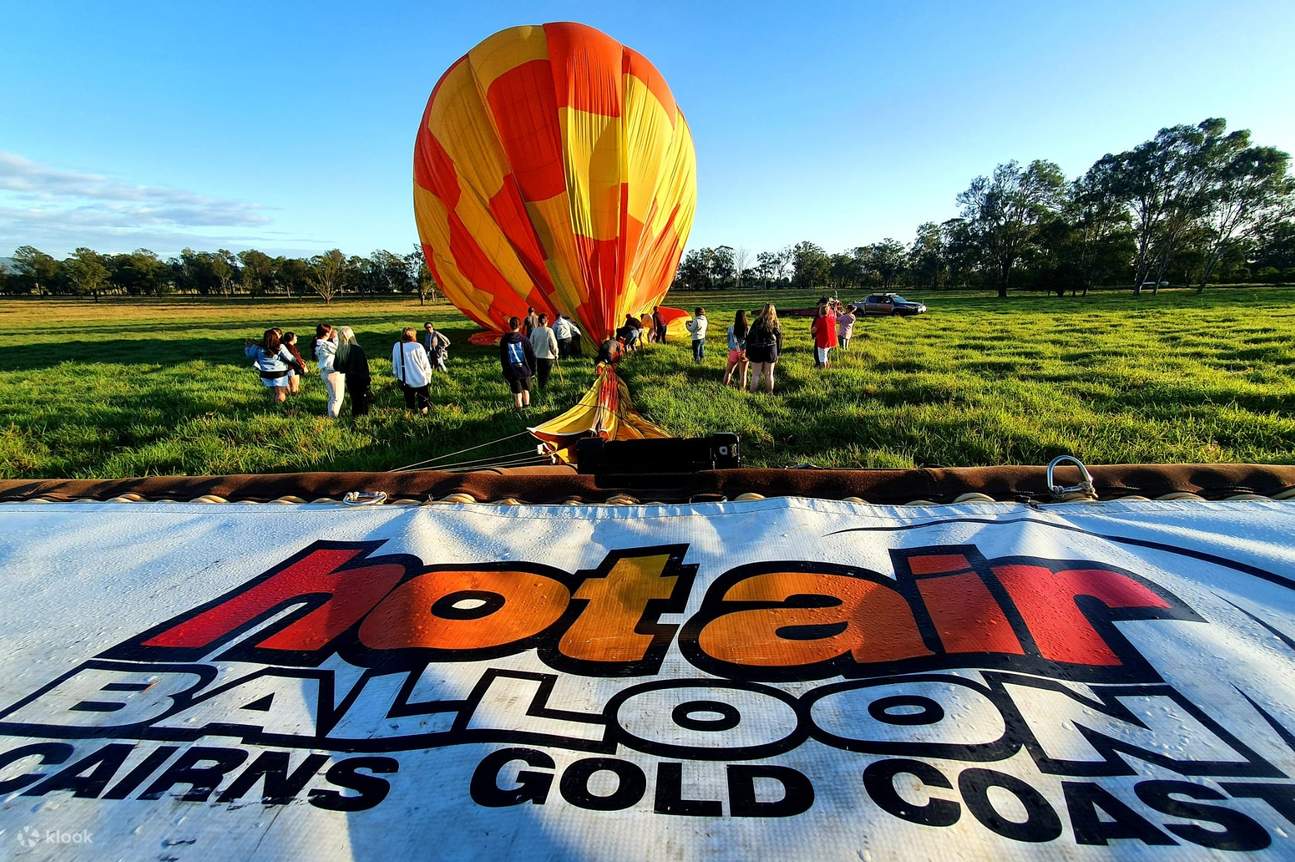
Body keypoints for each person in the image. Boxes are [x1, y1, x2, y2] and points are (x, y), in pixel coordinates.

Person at [244, 328, 298, 404]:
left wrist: (247, 347)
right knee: (280, 393)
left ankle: (273, 405)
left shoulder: (258, 347)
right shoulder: (280, 346)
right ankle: (279, 409)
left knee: (275, 393)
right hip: (279, 373)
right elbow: (290, 358)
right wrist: (297, 362)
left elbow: (249, 355)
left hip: (265, 374)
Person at [392, 327, 433, 414]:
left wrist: (397, 375)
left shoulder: (397, 346)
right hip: (421, 380)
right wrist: (428, 379)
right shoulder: (418, 346)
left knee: (409, 403)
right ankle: (423, 419)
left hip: (405, 381)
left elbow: (394, 364)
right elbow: (426, 365)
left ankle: (409, 418)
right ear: (414, 335)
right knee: (423, 404)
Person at [499, 316, 536, 410]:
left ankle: (518, 411)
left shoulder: (504, 340)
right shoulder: (524, 339)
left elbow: (503, 358)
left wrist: (505, 371)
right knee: (526, 390)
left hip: (512, 371)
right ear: (520, 325)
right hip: (525, 370)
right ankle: (527, 408)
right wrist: (533, 370)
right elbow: (531, 356)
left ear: (509, 325)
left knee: (517, 393)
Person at [334, 326, 372, 417]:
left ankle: (355, 418)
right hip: (361, 379)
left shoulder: (340, 351)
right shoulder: (357, 349)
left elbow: (337, 367)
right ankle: (363, 419)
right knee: (363, 402)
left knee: (354, 401)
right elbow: (364, 366)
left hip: (350, 380)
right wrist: (368, 379)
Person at [746, 303, 783, 393]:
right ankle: (769, 393)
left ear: (763, 310)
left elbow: (749, 338)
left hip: (757, 349)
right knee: (769, 374)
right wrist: (778, 353)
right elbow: (779, 340)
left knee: (755, 374)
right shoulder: (775, 323)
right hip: (771, 349)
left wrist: (748, 352)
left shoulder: (757, 321)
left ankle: (752, 392)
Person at [314, 323, 345, 418]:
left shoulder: (318, 343)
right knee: (337, 398)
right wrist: (335, 337)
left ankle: (330, 415)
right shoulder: (325, 344)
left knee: (332, 397)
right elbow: (339, 350)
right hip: (332, 372)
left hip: (325, 372)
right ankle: (332, 418)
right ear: (327, 333)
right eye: (331, 331)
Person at [529, 312, 559, 389]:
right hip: (548, 357)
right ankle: (542, 390)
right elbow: (553, 344)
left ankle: (539, 388)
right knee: (545, 376)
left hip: (537, 356)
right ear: (547, 321)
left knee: (539, 374)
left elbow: (530, 344)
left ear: (538, 322)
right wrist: (556, 354)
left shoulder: (535, 331)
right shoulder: (549, 331)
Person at [724, 309, 749, 389]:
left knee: (728, 371)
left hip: (733, 352)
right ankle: (742, 390)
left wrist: (731, 347)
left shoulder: (731, 328)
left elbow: (728, 340)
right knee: (743, 374)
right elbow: (750, 342)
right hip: (744, 353)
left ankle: (724, 385)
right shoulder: (748, 329)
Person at [812, 303, 837, 369]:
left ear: (820, 311)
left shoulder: (820, 320)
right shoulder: (832, 319)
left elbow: (813, 330)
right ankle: (827, 369)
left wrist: (812, 329)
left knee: (822, 359)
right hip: (831, 341)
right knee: (825, 357)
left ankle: (824, 372)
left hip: (823, 342)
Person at [282, 331, 307, 395]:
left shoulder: (287, 346)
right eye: (295, 336)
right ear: (291, 338)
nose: (296, 337)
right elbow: (295, 358)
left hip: (289, 368)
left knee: (291, 387)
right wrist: (303, 366)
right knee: (294, 388)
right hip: (292, 368)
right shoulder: (290, 347)